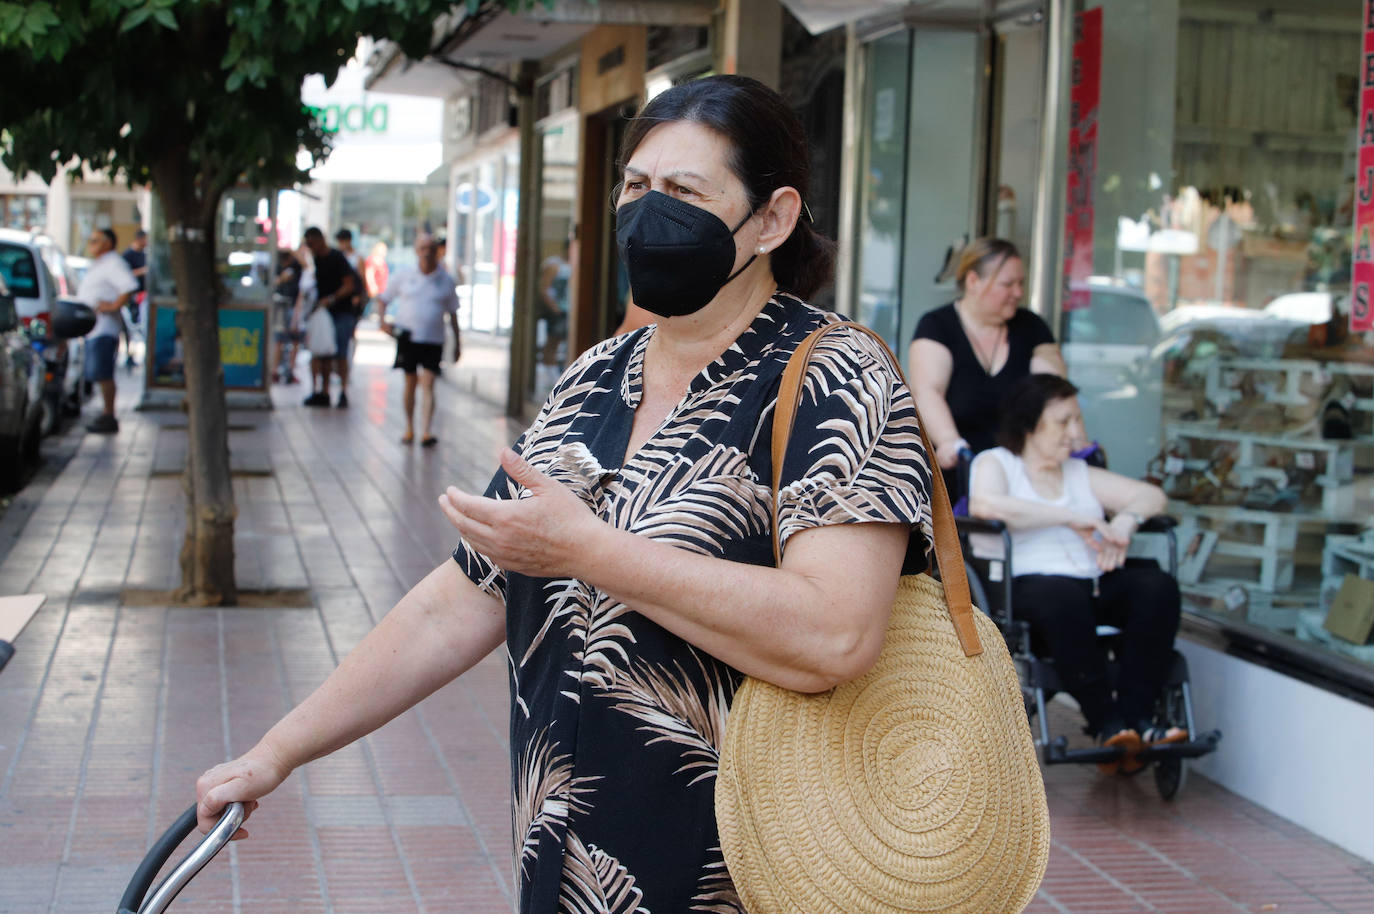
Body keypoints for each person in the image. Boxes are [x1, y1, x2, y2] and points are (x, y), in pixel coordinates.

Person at [194, 75, 934, 911]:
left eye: (685, 192)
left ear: (772, 218)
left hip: (749, 878)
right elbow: (462, 600)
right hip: (567, 867)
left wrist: (594, 553)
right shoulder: (594, 377)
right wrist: (281, 749)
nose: (649, 212)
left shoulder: (836, 374)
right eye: (635, 185)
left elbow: (837, 634)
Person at [968, 373, 1182, 773]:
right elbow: (985, 505)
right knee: (1061, 599)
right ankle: (1107, 723)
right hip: (1032, 587)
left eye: (1077, 420)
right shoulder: (997, 463)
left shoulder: (1079, 473)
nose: (1076, 431)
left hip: (1093, 581)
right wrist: (1070, 517)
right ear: (1029, 422)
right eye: (1063, 421)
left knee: (1156, 587)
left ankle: (1138, 721)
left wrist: (1126, 522)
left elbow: (1152, 495)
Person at [908, 237, 1068, 496]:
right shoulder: (937, 325)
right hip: (960, 476)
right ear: (973, 282)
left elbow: (1054, 390)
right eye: (1008, 284)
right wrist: (949, 441)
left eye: (1021, 284)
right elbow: (927, 391)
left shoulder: (1032, 327)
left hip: (1024, 477)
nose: (1018, 293)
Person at [376, 233, 461, 446]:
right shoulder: (404, 275)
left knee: (429, 383)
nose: (427, 253)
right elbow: (384, 299)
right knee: (410, 383)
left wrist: (458, 343)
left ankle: (426, 430)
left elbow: (453, 314)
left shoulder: (445, 280)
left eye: (430, 249)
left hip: (433, 339)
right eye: (422, 248)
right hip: (408, 338)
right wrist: (382, 322)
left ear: (436, 251)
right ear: (416, 251)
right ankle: (409, 428)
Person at [79, 228, 139, 434]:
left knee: (104, 373)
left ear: (107, 243)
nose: (91, 243)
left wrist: (112, 306)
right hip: (94, 329)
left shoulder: (114, 263)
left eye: (95, 240)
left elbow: (129, 286)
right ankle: (106, 413)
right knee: (99, 373)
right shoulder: (101, 263)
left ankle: (109, 414)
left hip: (104, 328)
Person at [300, 227, 357, 408]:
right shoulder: (316, 259)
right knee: (322, 352)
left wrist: (331, 299)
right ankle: (323, 392)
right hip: (324, 312)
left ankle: (342, 392)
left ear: (321, 240)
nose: (311, 247)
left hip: (342, 311)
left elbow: (350, 285)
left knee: (340, 353)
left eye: (312, 243)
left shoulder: (337, 257)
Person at [272, 248, 304, 384]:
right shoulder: (277, 267)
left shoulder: (296, 266)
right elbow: (273, 282)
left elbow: (306, 267)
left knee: (294, 340)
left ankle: (290, 371)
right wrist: (280, 279)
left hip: (293, 307)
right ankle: (275, 371)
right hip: (279, 307)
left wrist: (293, 252)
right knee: (279, 340)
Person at [120, 229, 149, 368]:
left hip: (143, 296)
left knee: (142, 327)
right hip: (131, 297)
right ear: (139, 239)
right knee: (130, 328)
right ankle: (129, 354)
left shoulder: (145, 255)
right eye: (145, 239)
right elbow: (124, 274)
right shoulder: (127, 255)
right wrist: (141, 271)